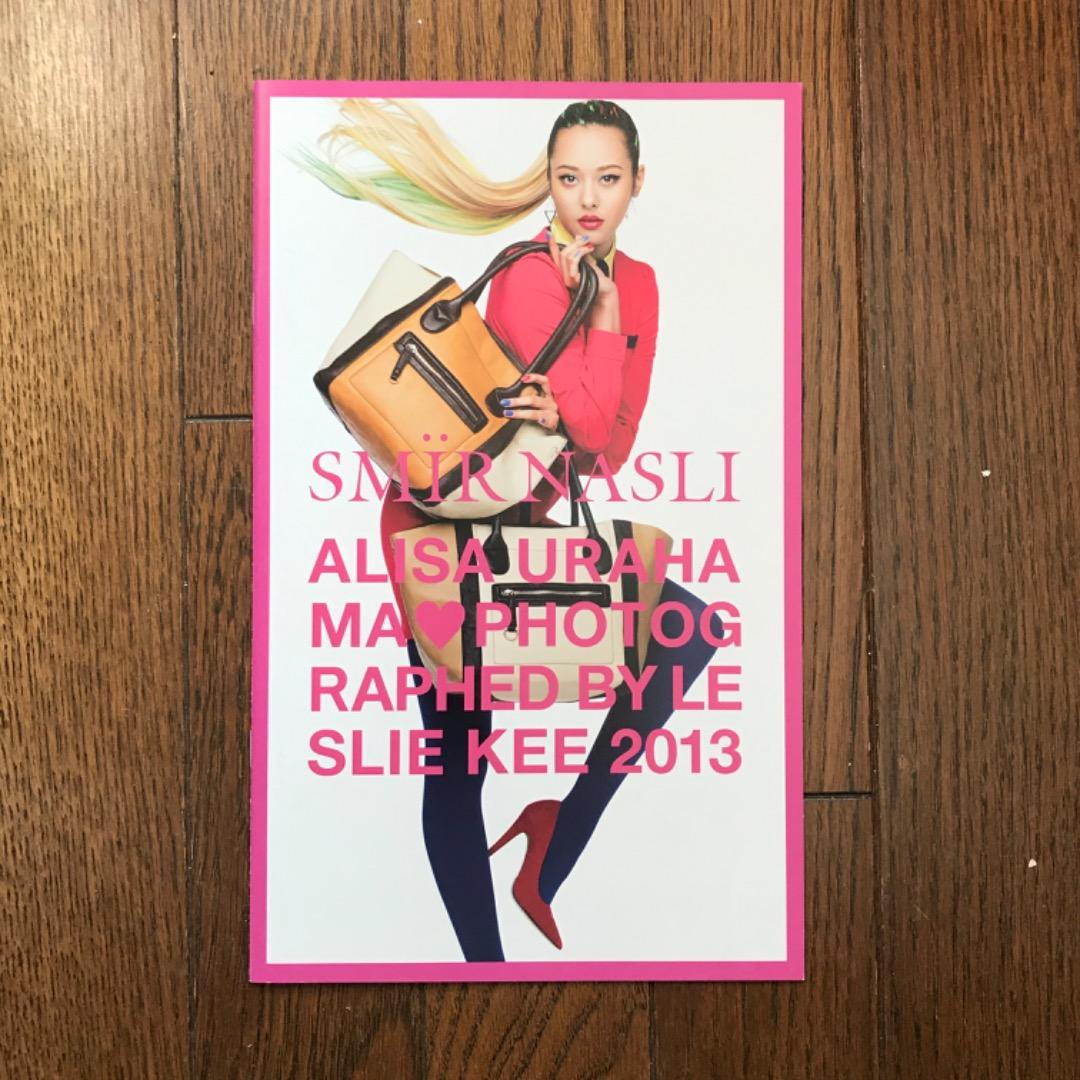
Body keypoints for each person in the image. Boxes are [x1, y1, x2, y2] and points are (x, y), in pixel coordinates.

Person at [303, 98, 723, 961]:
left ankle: (554, 842)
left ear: (638, 182)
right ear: (549, 183)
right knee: (459, 755)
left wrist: (585, 376)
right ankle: (484, 968)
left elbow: (609, 447)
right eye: (569, 178)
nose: (588, 200)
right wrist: (596, 338)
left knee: (687, 632)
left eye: (608, 178)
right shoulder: (532, 277)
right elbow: (592, 426)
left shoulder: (638, 284)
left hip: (527, 518)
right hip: (444, 524)